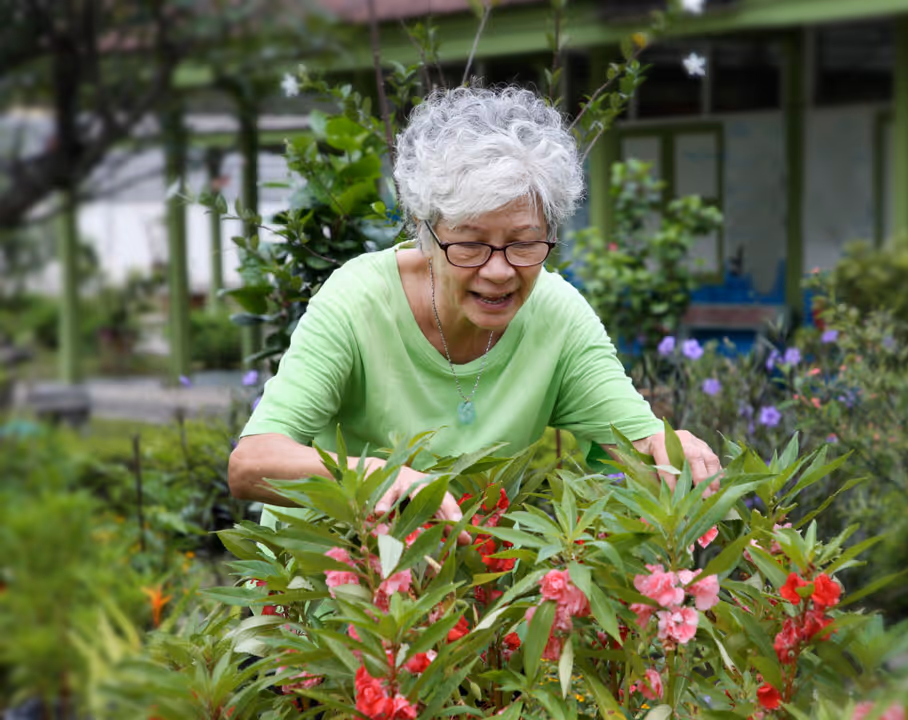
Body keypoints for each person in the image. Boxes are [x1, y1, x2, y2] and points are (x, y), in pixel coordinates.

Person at [228, 86, 721, 534]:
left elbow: (634, 440)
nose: (500, 271)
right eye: (470, 245)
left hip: (466, 590)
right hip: (322, 596)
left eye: (524, 244)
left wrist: (670, 446)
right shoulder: (357, 302)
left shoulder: (556, 315)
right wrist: (378, 477)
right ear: (426, 233)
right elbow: (250, 464)